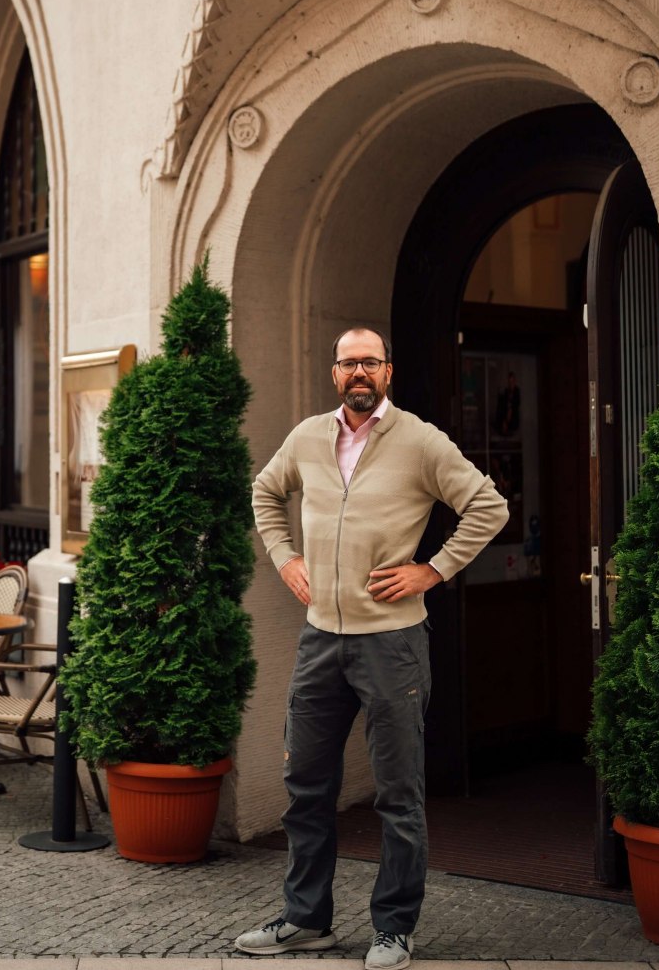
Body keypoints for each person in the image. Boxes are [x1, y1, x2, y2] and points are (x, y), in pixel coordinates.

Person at [235, 328, 508, 969]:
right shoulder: (307, 437)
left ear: (388, 371)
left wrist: (432, 570)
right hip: (320, 641)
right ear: (335, 374)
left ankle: (393, 927)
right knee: (305, 786)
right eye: (349, 363)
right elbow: (265, 491)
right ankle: (307, 920)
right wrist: (285, 557)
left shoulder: (421, 440)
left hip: (392, 643)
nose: (359, 372)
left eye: (370, 362)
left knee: (397, 794)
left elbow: (488, 506)